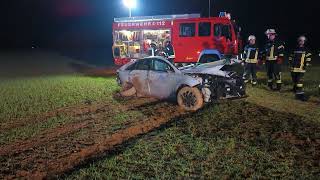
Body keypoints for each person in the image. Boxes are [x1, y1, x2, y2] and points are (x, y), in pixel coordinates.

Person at [288, 35, 312, 101]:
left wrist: (307, 63)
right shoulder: (295, 49)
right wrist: (290, 62)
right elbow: (291, 56)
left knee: (299, 80)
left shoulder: (306, 50)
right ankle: (295, 89)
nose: (301, 41)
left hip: (301, 68)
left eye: (303, 40)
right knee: (294, 80)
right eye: (300, 40)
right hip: (293, 68)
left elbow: (309, 57)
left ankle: (299, 93)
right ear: (298, 41)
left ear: (305, 41)